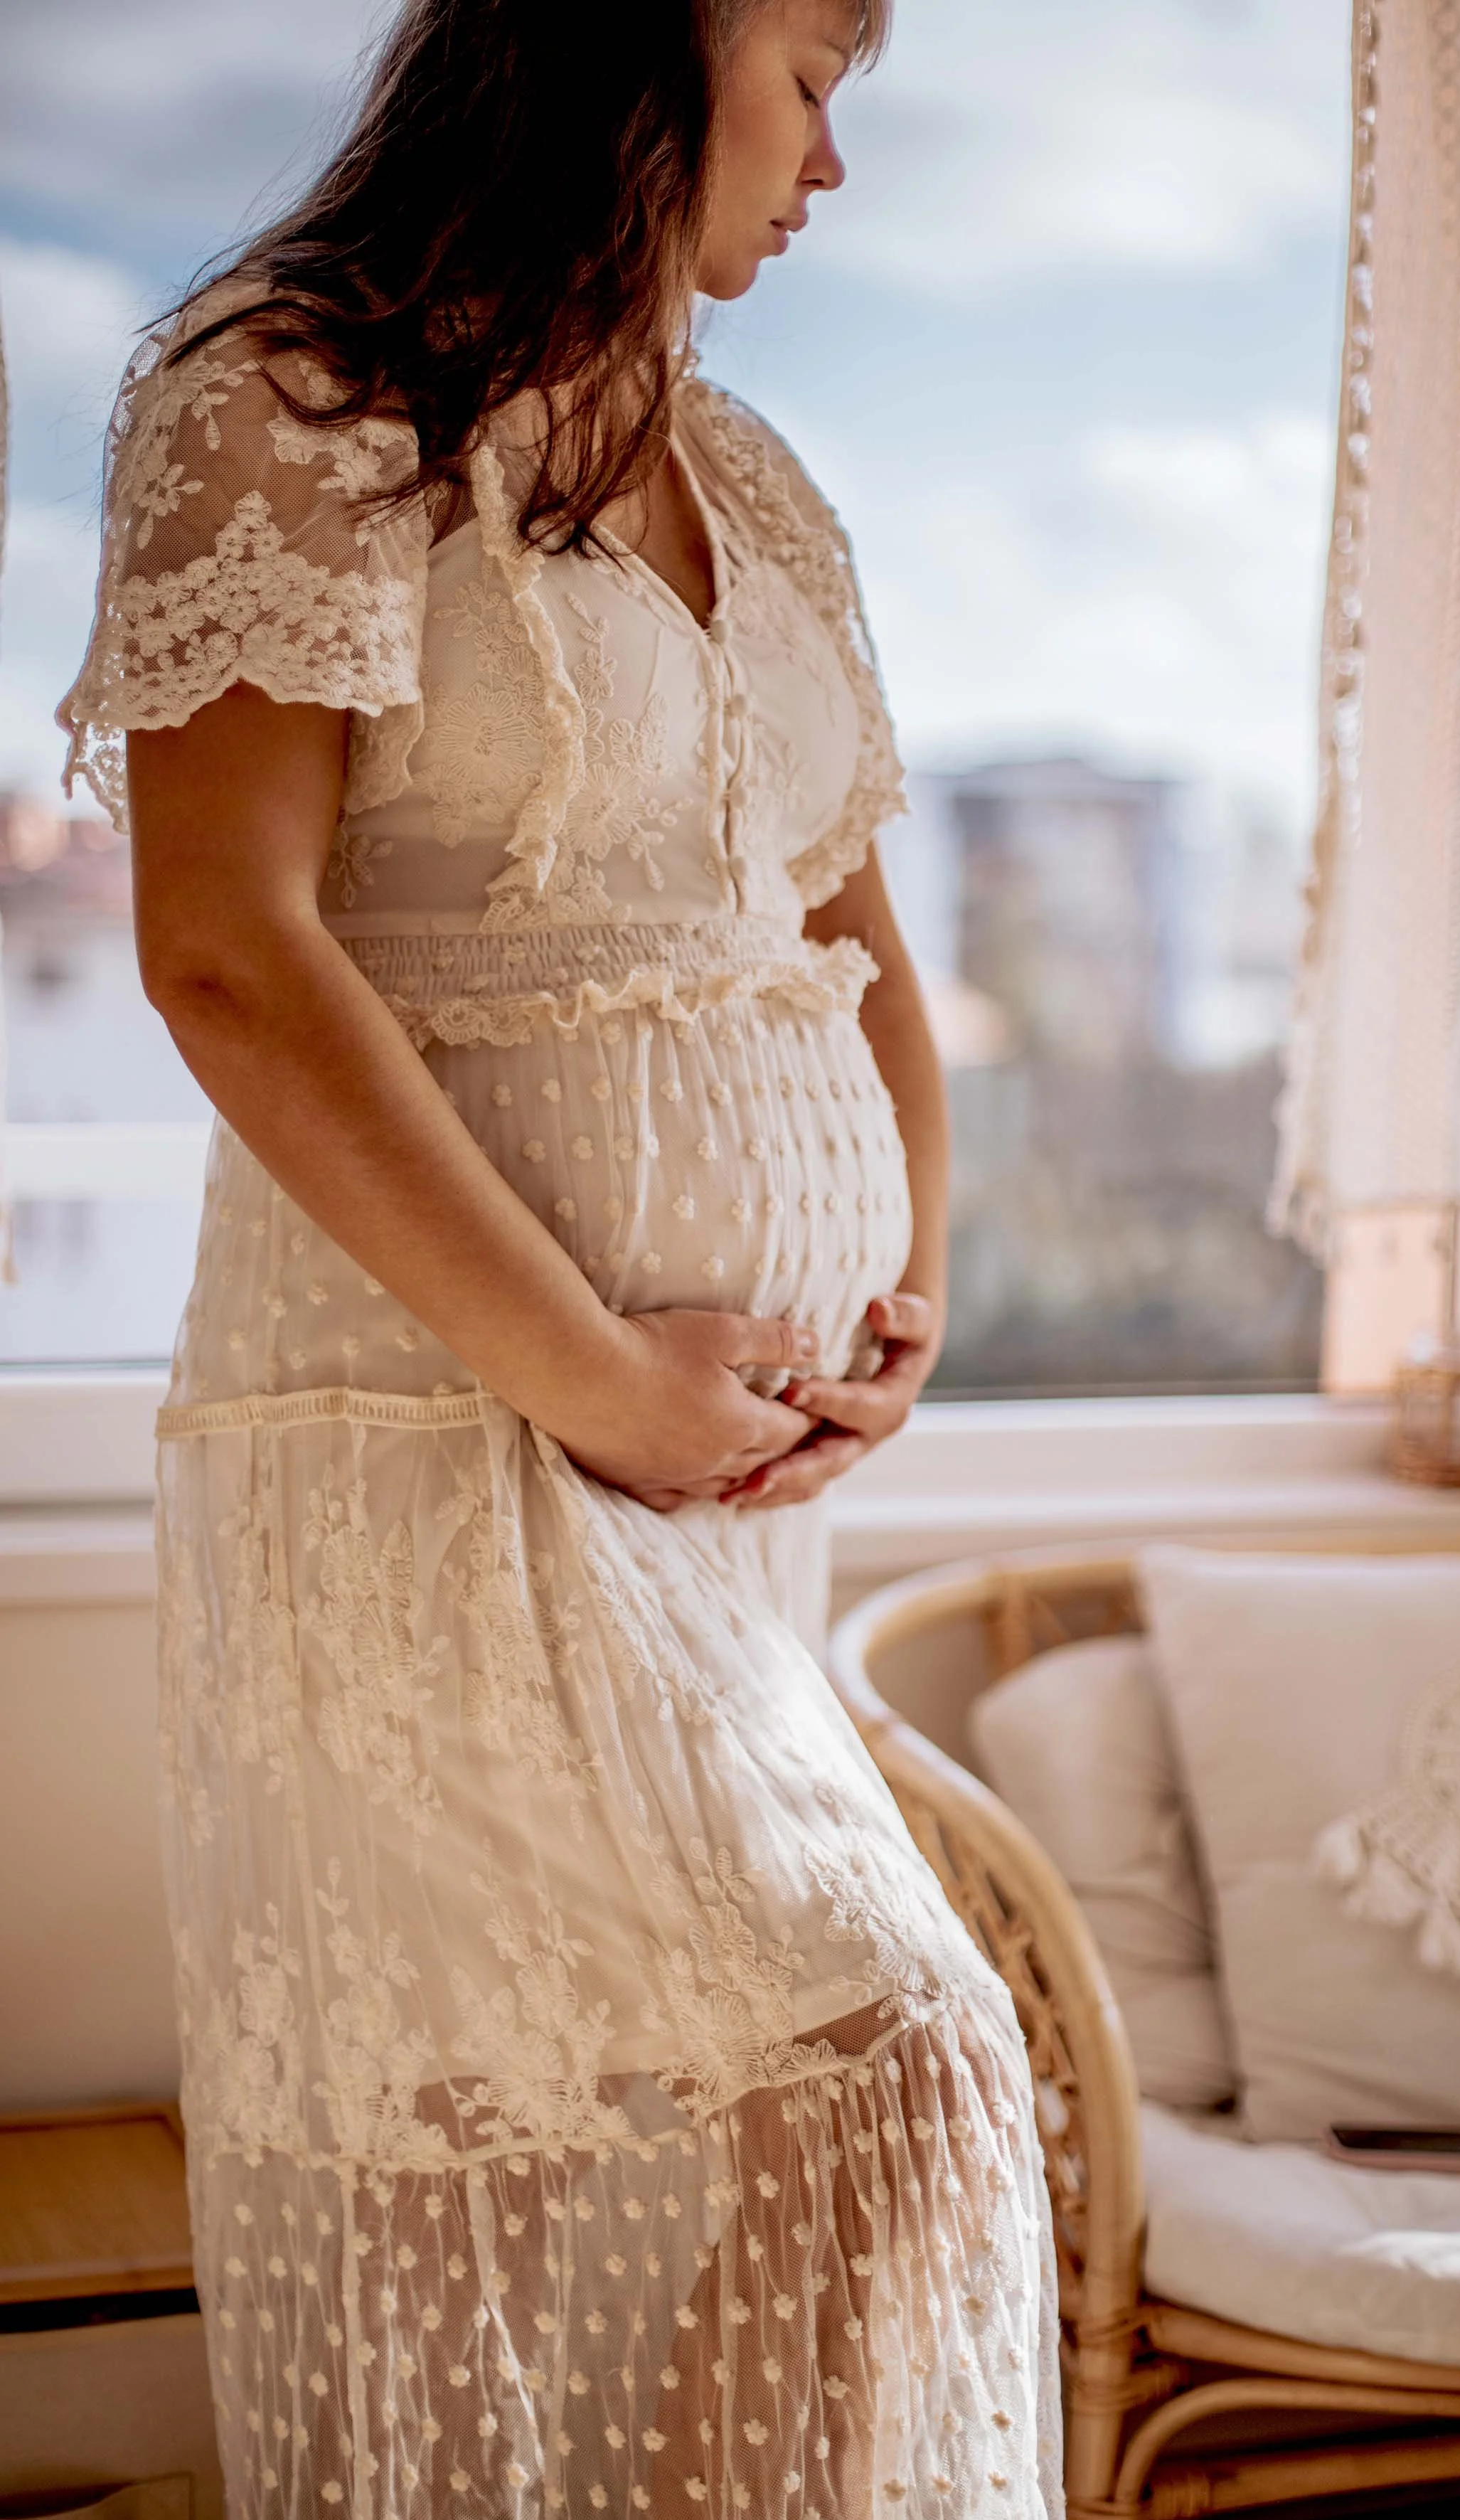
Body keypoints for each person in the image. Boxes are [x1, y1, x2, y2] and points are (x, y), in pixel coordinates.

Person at [60, 1, 1062, 2510]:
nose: (837, 161)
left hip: (714, 1510)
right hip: (422, 1452)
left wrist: (905, 1293)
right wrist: (605, 1381)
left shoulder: (753, 472)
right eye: (819, 70)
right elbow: (228, 953)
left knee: (845, 2105)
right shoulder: (288, 399)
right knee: (575, 2158)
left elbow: (847, 933)